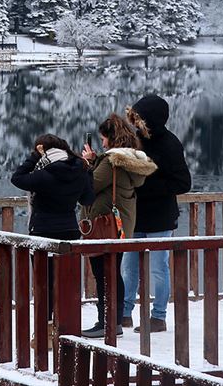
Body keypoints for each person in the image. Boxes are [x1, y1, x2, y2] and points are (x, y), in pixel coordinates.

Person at [10, 134, 94, 346]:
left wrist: (32, 157)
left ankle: (45, 333)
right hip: (69, 233)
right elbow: (87, 199)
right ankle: (67, 330)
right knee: (67, 284)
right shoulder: (79, 170)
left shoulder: (44, 174)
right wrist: (89, 173)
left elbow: (17, 178)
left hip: (43, 234)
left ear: (42, 151)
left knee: (44, 285)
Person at [80, 114, 158, 338]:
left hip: (104, 226)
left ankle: (106, 323)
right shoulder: (127, 160)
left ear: (112, 139)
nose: (102, 143)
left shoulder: (111, 160)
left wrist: (86, 166)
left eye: (104, 138)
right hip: (121, 226)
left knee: (103, 274)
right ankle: (113, 321)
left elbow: (91, 187)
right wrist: (96, 161)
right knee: (113, 273)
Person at [122, 95, 192, 332]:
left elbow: (183, 183)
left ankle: (158, 317)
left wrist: (146, 188)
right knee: (127, 266)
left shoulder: (170, 144)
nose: (135, 123)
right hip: (135, 215)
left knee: (158, 268)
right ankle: (124, 313)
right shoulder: (134, 141)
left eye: (139, 118)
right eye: (134, 118)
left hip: (160, 217)